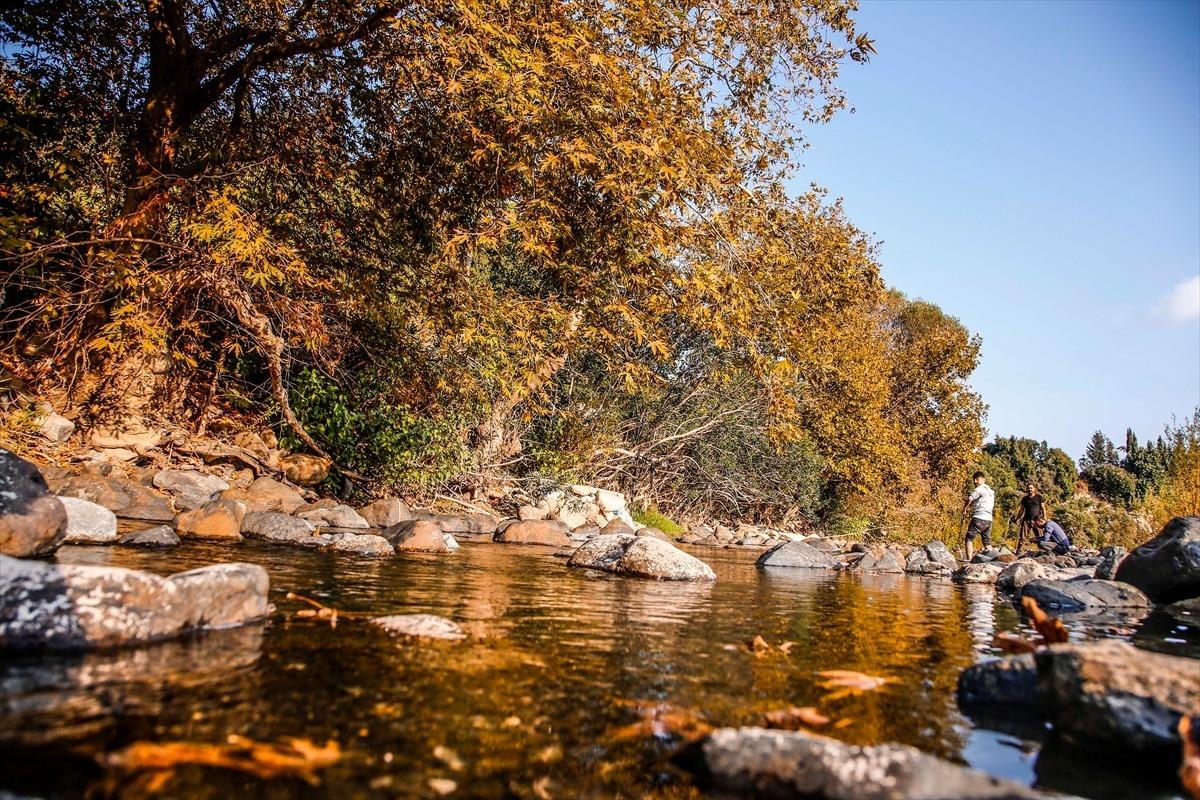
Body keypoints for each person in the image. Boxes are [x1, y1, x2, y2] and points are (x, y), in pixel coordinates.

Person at [961, 470, 995, 561]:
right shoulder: (991, 491)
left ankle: (969, 560)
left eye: (977, 479)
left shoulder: (979, 489)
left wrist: (964, 508)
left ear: (983, 479)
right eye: (974, 480)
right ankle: (993, 560)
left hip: (979, 517)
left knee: (969, 538)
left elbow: (970, 498)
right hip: (989, 519)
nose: (975, 482)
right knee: (986, 541)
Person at [1012, 483, 1047, 553]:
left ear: (1034, 489)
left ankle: (1043, 551)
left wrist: (1045, 519)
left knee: (1040, 536)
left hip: (1037, 521)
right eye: (1028, 488)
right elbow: (1022, 509)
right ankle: (1019, 551)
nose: (1030, 489)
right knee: (1022, 537)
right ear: (1026, 489)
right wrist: (1018, 518)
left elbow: (1043, 508)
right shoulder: (1024, 499)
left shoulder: (1039, 497)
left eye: (1031, 488)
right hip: (1026, 520)